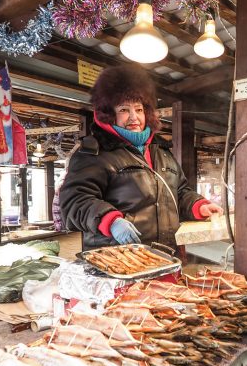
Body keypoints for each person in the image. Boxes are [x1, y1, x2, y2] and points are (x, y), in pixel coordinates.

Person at [60, 65, 222, 248]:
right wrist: (110, 220)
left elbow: (180, 192)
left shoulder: (162, 151)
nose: (133, 117)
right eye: (124, 110)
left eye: (138, 109)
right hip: (118, 257)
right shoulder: (94, 152)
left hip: (165, 253)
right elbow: (74, 200)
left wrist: (198, 205)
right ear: (109, 114)